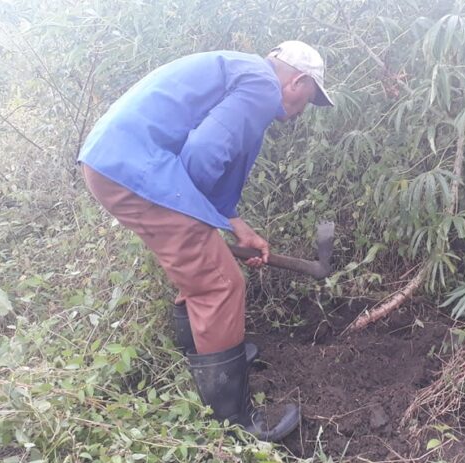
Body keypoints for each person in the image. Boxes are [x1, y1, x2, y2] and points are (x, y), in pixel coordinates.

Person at [78, 40, 334, 441]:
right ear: (298, 82)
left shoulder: (243, 73)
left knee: (201, 270)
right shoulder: (262, 87)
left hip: (115, 162)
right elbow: (204, 151)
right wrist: (198, 225)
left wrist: (233, 226)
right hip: (134, 169)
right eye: (310, 100)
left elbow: (203, 154)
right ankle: (233, 421)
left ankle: (204, 357)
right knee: (220, 283)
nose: (302, 111)